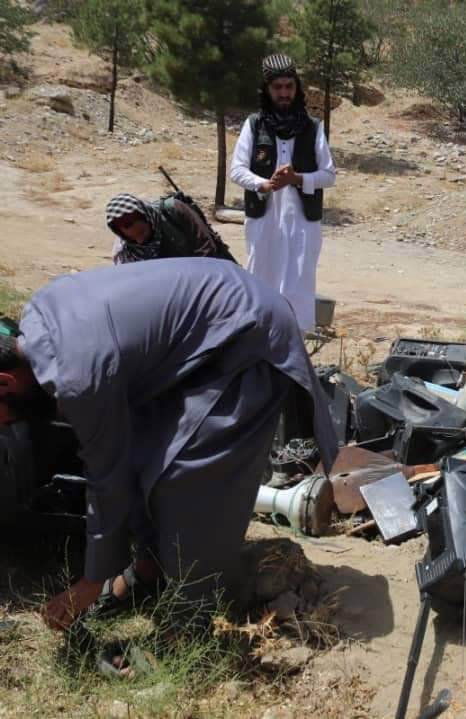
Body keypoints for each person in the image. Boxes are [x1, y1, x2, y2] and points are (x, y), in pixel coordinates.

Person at [0, 259, 339, 636]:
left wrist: (90, 583)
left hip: (245, 336)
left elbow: (106, 477)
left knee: (186, 479)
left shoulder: (76, 377)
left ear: (5, 383)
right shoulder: (36, 320)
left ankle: (189, 622)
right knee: (148, 458)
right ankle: (151, 570)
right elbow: (123, 458)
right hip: (212, 326)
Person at [229, 53, 336, 331]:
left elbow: (328, 175)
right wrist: (264, 184)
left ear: (296, 88)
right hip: (264, 221)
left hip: (302, 225)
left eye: (289, 87)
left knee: (298, 288)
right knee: (260, 283)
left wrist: (297, 179)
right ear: (267, 89)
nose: (284, 93)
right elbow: (237, 170)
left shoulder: (313, 128)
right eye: (278, 88)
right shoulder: (254, 125)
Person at [106, 192, 235, 264]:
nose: (139, 242)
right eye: (133, 239)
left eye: (142, 233)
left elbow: (206, 250)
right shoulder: (124, 250)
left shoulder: (174, 211)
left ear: (148, 219)